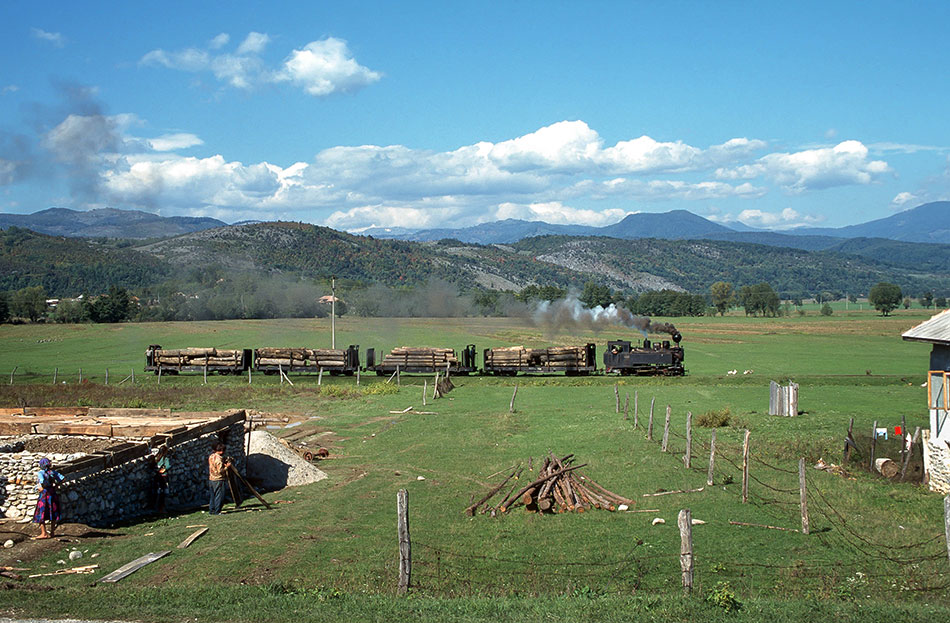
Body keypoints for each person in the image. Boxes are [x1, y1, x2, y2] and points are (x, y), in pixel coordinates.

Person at [33, 457, 65, 539]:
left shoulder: (41, 473)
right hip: (52, 493)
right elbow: (62, 478)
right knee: (53, 512)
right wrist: (56, 485)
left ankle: (44, 533)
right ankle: (52, 532)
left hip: (44, 494)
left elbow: (42, 481)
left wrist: (40, 487)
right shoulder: (53, 472)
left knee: (41, 512)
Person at [207, 442, 231, 515]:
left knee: (212, 496)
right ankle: (217, 511)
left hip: (211, 478)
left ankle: (212, 510)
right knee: (219, 495)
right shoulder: (219, 460)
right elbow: (220, 471)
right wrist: (227, 467)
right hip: (218, 479)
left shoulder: (211, 456)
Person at [152, 444, 170, 515]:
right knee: (164, 493)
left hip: (157, 477)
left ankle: (157, 507)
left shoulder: (156, 458)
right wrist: (163, 470)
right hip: (163, 477)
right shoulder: (165, 459)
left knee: (158, 492)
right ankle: (162, 508)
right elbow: (168, 466)